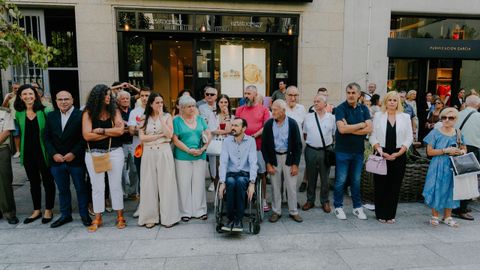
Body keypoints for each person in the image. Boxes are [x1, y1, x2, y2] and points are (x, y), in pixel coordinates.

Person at [82, 84, 126, 232]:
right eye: (105, 95)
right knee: (97, 187)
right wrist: (110, 132)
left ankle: (120, 216)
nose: (108, 98)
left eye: (109, 95)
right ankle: (98, 218)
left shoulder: (114, 110)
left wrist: (101, 130)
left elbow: (120, 131)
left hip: (114, 152)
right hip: (93, 153)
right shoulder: (88, 113)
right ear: (97, 97)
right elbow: (87, 135)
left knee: (115, 185)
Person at [44, 91, 91, 228]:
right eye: (60, 99)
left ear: (72, 100)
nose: (63, 102)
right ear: (56, 101)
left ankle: (84, 214)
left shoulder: (81, 115)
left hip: (75, 160)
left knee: (80, 188)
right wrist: (53, 154)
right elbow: (46, 138)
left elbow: (84, 137)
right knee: (62, 190)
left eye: (66, 99)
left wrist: (74, 153)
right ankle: (65, 215)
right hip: (57, 161)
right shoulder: (51, 116)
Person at [369, 91, 413, 224]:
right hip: (382, 153)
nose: (392, 102)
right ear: (385, 102)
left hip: (398, 154)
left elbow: (409, 137)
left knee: (394, 185)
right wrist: (380, 150)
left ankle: (390, 214)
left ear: (398, 102)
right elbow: (372, 135)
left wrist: (399, 153)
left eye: (395, 100)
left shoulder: (405, 117)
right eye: (390, 100)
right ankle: (380, 213)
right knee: (381, 185)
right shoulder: (378, 115)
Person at [14, 84, 56, 224]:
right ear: (20, 96)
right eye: (24, 94)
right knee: (33, 182)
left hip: (43, 152)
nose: (28, 97)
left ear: (36, 95)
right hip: (28, 153)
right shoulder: (19, 113)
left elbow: (52, 132)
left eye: (30, 94)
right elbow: (18, 134)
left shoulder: (45, 110)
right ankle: (36, 210)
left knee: (48, 181)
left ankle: (49, 209)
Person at [138, 93, 180, 228]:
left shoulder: (167, 117)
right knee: (149, 184)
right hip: (149, 153)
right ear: (151, 104)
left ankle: (169, 217)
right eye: (157, 102)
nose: (160, 105)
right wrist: (160, 135)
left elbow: (169, 135)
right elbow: (142, 138)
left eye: (161, 102)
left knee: (166, 184)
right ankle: (150, 217)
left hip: (164, 152)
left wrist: (161, 118)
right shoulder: (144, 118)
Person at [333, 82, 372, 220]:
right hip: (343, 151)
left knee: (356, 181)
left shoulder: (364, 109)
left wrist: (350, 127)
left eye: (353, 93)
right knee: (341, 180)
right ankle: (338, 207)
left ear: (359, 94)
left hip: (358, 152)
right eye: (348, 93)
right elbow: (341, 130)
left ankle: (357, 208)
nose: (350, 95)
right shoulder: (340, 108)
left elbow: (369, 129)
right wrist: (361, 125)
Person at [423, 107, 465, 228]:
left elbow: (464, 149)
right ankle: (434, 216)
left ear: (455, 119)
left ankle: (447, 217)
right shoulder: (435, 133)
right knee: (436, 188)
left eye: (450, 118)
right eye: (444, 117)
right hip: (438, 164)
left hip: (453, 166)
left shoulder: (458, 133)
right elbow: (429, 152)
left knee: (451, 190)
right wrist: (445, 150)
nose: (447, 120)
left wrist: (459, 152)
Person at [262, 99, 303, 223]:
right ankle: (276, 211)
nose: (272, 112)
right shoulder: (269, 124)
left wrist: (295, 164)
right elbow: (264, 146)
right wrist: (268, 164)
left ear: (283, 111)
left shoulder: (292, 124)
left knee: (291, 186)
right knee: (275, 186)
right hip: (274, 158)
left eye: (275, 110)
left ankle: (293, 211)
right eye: (272, 109)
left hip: (288, 158)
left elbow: (298, 145)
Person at [173, 95, 211, 222]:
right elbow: (175, 139)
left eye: (193, 106)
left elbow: (208, 134)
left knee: (199, 183)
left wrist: (203, 148)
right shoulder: (176, 121)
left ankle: (200, 210)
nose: (192, 108)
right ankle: (185, 211)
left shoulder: (200, 119)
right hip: (183, 156)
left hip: (200, 155)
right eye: (189, 106)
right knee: (183, 184)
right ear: (182, 108)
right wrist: (188, 150)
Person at [235, 85, 271, 212]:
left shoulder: (264, 110)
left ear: (255, 95)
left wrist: (254, 136)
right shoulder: (239, 110)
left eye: (249, 93)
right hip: (242, 147)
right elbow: (236, 126)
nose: (246, 96)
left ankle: (263, 199)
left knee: (261, 173)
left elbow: (266, 127)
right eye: (245, 93)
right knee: (243, 172)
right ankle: (244, 197)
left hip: (258, 146)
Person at [218, 118, 257, 232]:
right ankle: (230, 219)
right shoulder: (227, 141)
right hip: (231, 174)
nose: (233, 128)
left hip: (244, 174)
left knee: (240, 181)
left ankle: (238, 220)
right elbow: (223, 162)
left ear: (244, 128)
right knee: (230, 182)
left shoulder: (250, 141)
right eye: (232, 125)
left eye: (236, 126)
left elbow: (253, 162)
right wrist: (222, 182)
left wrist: (252, 182)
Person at [302, 94, 336, 213]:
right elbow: (305, 134)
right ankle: (310, 200)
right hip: (311, 150)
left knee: (325, 178)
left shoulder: (332, 118)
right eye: (314, 101)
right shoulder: (308, 117)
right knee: (311, 177)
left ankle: (325, 201)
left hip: (325, 151)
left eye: (318, 101)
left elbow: (333, 135)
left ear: (325, 104)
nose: (315, 103)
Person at [452, 95, 480, 221]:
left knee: (457, 178)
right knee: (468, 179)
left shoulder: (457, 114)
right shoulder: (478, 117)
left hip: (456, 148)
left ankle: (454, 205)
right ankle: (461, 208)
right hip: (472, 149)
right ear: (478, 105)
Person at [127, 87, 151, 218]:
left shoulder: (157, 110)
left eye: (147, 95)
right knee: (142, 179)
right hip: (139, 150)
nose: (145, 98)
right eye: (142, 95)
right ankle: (142, 205)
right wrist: (144, 131)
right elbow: (131, 130)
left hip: (154, 150)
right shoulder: (134, 112)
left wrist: (140, 129)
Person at [0, 106, 19, 224]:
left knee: (4, 182)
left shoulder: (4, 113)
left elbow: (7, 131)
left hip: (1, 149)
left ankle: (9, 212)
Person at [198, 87, 218, 192]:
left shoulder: (219, 105)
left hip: (219, 136)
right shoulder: (201, 107)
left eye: (211, 94)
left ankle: (219, 180)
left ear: (216, 96)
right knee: (211, 160)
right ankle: (213, 181)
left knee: (219, 160)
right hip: (207, 136)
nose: (209, 96)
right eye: (207, 94)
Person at [117, 90, 136, 197]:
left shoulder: (133, 112)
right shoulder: (115, 112)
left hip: (133, 143)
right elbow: (117, 128)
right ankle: (123, 193)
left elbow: (137, 127)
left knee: (134, 169)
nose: (125, 100)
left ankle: (133, 191)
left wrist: (126, 126)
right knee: (122, 170)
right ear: (118, 101)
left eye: (127, 98)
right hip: (120, 144)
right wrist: (130, 127)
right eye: (122, 99)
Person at [2, 82, 21, 158]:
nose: (16, 89)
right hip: (13, 118)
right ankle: (18, 151)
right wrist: (7, 99)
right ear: (12, 88)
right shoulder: (8, 95)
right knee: (16, 135)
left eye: (18, 88)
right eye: (15, 88)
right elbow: (3, 107)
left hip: (23, 117)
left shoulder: (22, 94)